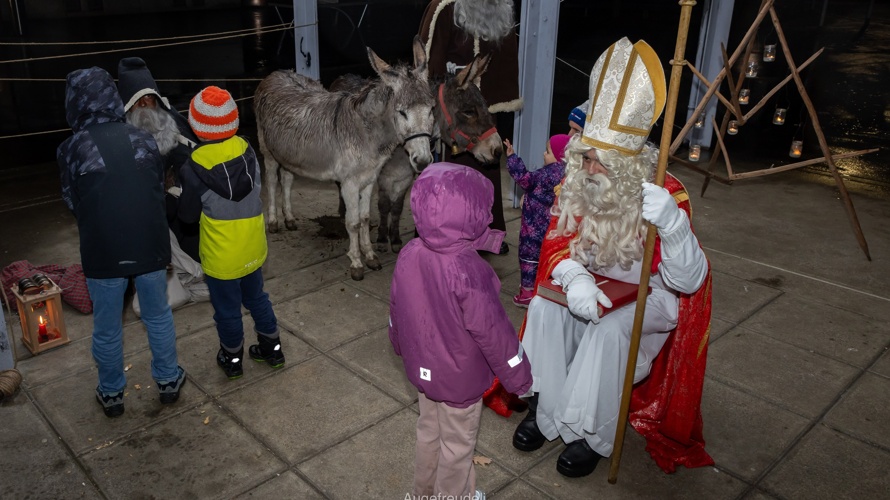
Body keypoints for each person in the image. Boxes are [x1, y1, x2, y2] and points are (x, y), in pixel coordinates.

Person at [513, 38, 714, 477]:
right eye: (585, 157)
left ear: (625, 166)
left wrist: (674, 226)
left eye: (596, 162)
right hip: (591, 282)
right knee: (545, 306)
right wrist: (574, 276)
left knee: (607, 329)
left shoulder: (664, 194)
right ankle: (542, 407)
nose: (586, 169)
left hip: (649, 294)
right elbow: (554, 242)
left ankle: (591, 433)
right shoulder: (578, 185)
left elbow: (688, 283)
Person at [389, 163, 532, 499]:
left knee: (428, 432)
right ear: (470, 214)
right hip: (459, 379)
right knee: (457, 444)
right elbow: (493, 331)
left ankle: (423, 493)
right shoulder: (469, 270)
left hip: (423, 370)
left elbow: (396, 309)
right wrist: (519, 376)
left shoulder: (409, 253)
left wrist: (398, 345)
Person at [57, 67, 186, 418]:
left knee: (108, 325)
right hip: (150, 245)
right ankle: (169, 381)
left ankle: (112, 393)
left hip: (104, 250)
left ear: (74, 102)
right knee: (158, 317)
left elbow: (73, 202)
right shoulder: (142, 139)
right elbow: (153, 190)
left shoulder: (71, 148)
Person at [178, 86, 285, 380]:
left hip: (221, 257)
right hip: (253, 246)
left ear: (196, 125)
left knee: (227, 310)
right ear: (233, 121)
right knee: (257, 298)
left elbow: (187, 217)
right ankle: (272, 349)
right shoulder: (247, 150)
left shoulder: (194, 165)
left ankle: (232, 357)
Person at [419, 0, 523, 254]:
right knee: (453, 174)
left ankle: (486, 234)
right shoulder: (445, 8)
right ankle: (448, 231)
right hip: (457, 111)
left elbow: (504, 60)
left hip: (484, 109)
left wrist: (497, 99)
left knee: (488, 169)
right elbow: (429, 60)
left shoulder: (499, 9)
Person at [117, 56, 201, 263]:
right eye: (137, 102)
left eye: (148, 98)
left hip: (180, 210)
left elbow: (193, 162)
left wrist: (175, 190)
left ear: (157, 99)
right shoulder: (119, 135)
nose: (144, 105)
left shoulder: (173, 124)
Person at [504, 134, 570, 307]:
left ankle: (527, 294)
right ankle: (544, 290)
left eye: (548, 151)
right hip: (552, 229)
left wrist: (512, 157)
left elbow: (523, 178)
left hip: (533, 228)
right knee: (547, 259)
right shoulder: (568, 176)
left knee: (529, 260)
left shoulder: (543, 175)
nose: (543, 154)